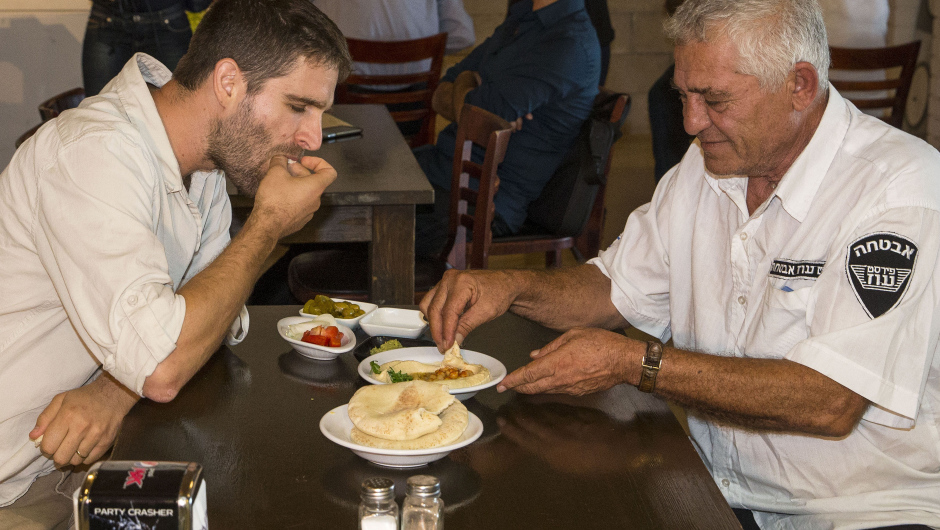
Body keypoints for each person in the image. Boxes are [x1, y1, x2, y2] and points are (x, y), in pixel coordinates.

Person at [419, 0, 940, 528]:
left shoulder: (897, 190)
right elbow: (610, 289)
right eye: (684, 96)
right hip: (719, 487)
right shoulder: (709, 164)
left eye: (714, 100)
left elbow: (831, 400)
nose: (692, 122)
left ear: (800, 85)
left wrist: (637, 363)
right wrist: (511, 288)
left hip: (864, 510)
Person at [0, 0, 350, 526]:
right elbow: (165, 365)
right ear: (228, 81)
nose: (313, 139)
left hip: (96, 455)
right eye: (299, 106)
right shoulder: (93, 154)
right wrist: (267, 224)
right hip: (16, 481)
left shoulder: (203, 166)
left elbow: (212, 321)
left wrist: (115, 390)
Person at [414, 0, 600, 259]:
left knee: (359, 224)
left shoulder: (569, 43)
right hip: (439, 171)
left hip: (475, 205)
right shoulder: (521, 18)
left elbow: (477, 115)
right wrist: (469, 85)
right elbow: (440, 93)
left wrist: (469, 86)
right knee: (363, 179)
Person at [82, 0, 212, 97]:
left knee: (181, 107)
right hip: (108, 21)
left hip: (167, 24)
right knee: (100, 114)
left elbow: (198, 4)